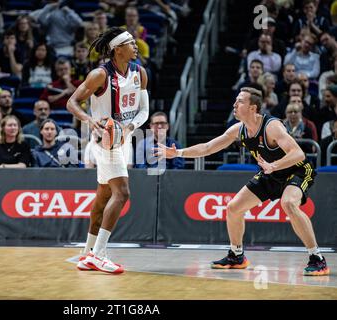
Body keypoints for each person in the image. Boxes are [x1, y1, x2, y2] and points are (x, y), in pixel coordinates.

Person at [155, 87, 329, 277]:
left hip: (297, 170)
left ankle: (317, 259)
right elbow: (208, 147)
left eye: (239, 101)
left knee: (288, 203)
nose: (234, 104)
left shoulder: (271, 126)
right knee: (233, 208)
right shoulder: (239, 130)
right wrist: (179, 153)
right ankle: (236, 256)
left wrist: (274, 165)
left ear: (253, 108)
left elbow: (298, 154)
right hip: (271, 172)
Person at [67, 27, 149, 274]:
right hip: (104, 140)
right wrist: (88, 120)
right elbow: (72, 102)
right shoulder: (100, 75)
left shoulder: (140, 73)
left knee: (103, 196)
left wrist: (130, 127)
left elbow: (144, 110)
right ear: (117, 49)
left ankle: (87, 253)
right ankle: (100, 254)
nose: (136, 46)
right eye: (131, 43)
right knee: (122, 193)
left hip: (123, 139)